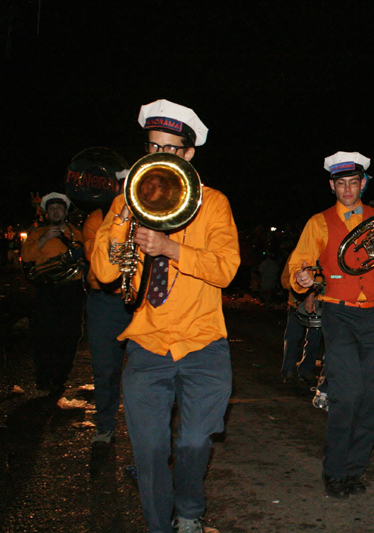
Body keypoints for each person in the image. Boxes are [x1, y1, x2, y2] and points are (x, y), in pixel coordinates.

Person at [91, 99, 240, 533]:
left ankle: (189, 510)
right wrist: (123, 212)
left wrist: (170, 248)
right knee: (150, 449)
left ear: (189, 154)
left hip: (203, 341)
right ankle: (159, 525)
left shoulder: (213, 203)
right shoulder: (127, 200)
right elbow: (103, 271)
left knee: (195, 440)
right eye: (153, 146)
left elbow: (226, 268)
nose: (161, 156)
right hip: (147, 343)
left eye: (172, 148)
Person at [288, 151, 374, 499]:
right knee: (348, 393)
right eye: (340, 184)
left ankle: (355, 470)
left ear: (363, 183)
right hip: (338, 313)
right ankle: (335, 470)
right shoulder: (319, 222)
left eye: (353, 183)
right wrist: (302, 276)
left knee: (372, 396)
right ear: (332, 185)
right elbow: (300, 265)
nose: (346, 189)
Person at [21, 192, 86, 394]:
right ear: (46, 213)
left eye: (59, 208)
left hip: (71, 290)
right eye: (51, 209)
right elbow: (26, 256)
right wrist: (44, 239)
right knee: (44, 334)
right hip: (47, 290)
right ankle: (43, 376)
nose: (55, 211)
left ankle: (60, 378)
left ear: (66, 212)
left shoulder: (77, 233)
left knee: (70, 334)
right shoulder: (36, 233)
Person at [83, 202, 133, 446]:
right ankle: (105, 425)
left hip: (139, 301)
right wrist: (120, 223)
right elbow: (95, 254)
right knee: (105, 369)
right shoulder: (98, 215)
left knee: (147, 370)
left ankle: (148, 437)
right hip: (106, 301)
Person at [278, 260, 322, 385]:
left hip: (318, 306)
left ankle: (306, 370)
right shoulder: (297, 256)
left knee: (314, 338)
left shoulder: (322, 254)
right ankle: (288, 370)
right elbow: (285, 280)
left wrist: (314, 293)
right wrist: (302, 289)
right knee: (293, 337)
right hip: (297, 304)